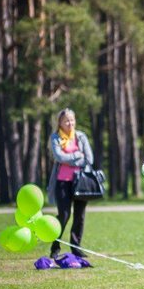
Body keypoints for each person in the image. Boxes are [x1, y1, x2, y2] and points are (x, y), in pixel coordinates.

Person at [47, 108, 94, 259]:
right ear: (60, 123)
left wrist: (71, 157)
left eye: (72, 120)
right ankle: (55, 246)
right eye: (66, 120)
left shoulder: (81, 136)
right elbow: (59, 157)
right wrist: (77, 155)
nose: (70, 123)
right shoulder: (55, 137)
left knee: (79, 216)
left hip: (80, 182)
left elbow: (89, 159)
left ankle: (76, 247)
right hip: (62, 182)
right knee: (64, 215)